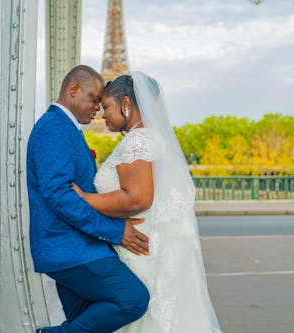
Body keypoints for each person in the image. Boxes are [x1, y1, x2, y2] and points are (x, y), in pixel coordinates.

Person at [72, 72, 223, 332]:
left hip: (139, 250)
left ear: (127, 105)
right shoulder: (151, 138)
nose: (102, 114)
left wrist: (86, 199)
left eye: (107, 106)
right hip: (148, 244)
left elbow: (138, 198)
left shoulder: (139, 140)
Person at [27, 65, 151, 333]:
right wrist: (116, 230)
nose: (98, 107)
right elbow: (59, 196)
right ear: (73, 90)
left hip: (74, 247)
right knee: (134, 299)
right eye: (94, 98)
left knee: (86, 325)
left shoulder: (65, 128)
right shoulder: (54, 128)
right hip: (69, 249)